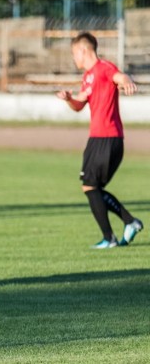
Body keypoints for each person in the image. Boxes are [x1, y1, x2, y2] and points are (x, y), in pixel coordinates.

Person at [57, 31, 143, 248]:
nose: (74, 58)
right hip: (98, 139)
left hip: (107, 137)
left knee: (90, 186)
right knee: (92, 188)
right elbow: (79, 104)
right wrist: (69, 99)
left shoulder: (104, 68)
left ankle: (111, 237)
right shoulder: (87, 77)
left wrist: (128, 81)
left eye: (74, 53)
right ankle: (129, 223)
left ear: (83, 50)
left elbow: (119, 77)